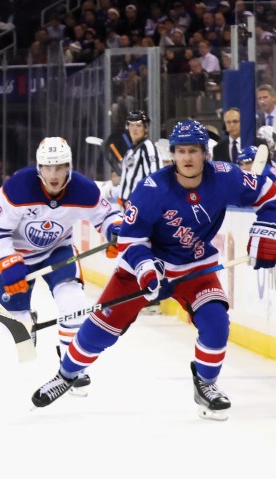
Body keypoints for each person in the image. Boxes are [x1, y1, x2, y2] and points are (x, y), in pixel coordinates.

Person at [32, 120, 276, 420]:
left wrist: (268, 230)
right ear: (172, 154)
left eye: (194, 151)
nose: (187, 157)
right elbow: (130, 240)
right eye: (181, 151)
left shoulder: (226, 176)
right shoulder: (152, 189)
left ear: (205, 153)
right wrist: (147, 270)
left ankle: (206, 384)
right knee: (100, 331)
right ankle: (66, 374)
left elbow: (269, 193)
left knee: (216, 324)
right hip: (142, 269)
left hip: (194, 267)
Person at [0, 137, 121, 394]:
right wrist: (7, 261)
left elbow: (107, 216)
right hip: (18, 257)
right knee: (15, 330)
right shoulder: (17, 188)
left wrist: (114, 230)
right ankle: (26, 318)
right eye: (48, 167)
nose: (54, 174)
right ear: (39, 167)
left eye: (59, 167)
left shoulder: (83, 188)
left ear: (69, 166)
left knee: (74, 306)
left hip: (58, 252)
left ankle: (72, 365)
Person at [106, 110, 161, 209]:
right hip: (126, 206)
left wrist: (147, 204)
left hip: (139, 207)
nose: (134, 129)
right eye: (131, 125)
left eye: (138, 125)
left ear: (145, 128)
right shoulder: (130, 151)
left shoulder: (148, 147)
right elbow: (129, 180)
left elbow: (155, 178)